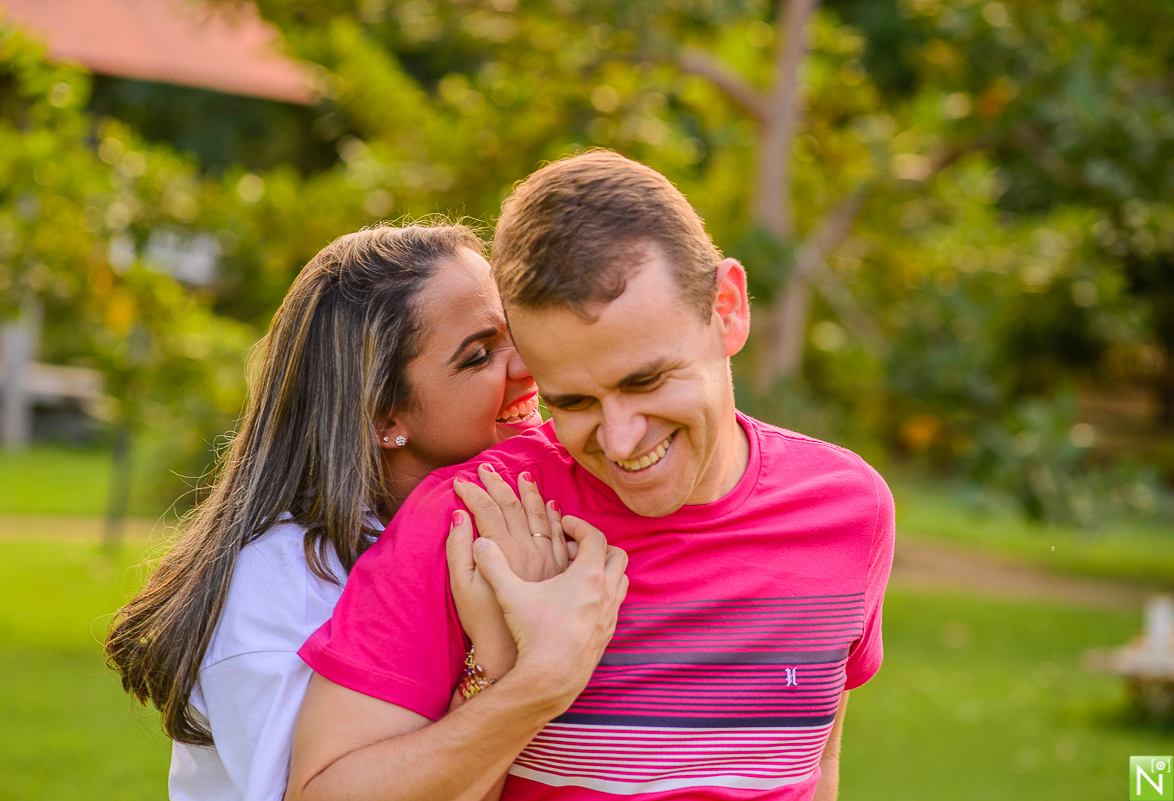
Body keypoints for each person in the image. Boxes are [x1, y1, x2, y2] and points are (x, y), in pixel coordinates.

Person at [287, 150, 895, 801]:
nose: (622, 437)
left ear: (727, 307)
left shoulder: (849, 510)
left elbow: (810, 760)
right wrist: (536, 685)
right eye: (573, 401)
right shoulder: (476, 515)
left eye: (647, 379)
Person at [102, 222, 622, 801]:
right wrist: (500, 664)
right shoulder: (283, 589)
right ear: (385, 418)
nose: (528, 364)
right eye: (479, 356)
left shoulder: (504, 516)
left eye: (516, 332)